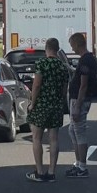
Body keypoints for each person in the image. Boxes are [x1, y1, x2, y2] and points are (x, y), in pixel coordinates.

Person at [25, 38, 69, 182]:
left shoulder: (42, 64)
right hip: (56, 106)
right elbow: (64, 89)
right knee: (54, 139)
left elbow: (36, 85)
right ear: (57, 49)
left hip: (41, 106)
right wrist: (59, 101)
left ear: (46, 48)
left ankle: (39, 171)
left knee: (37, 138)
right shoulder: (62, 67)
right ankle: (51, 172)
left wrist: (32, 103)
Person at [66, 32, 97, 178]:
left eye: (72, 45)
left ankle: (82, 166)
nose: (72, 48)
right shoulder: (87, 59)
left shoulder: (86, 60)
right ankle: (78, 163)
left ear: (77, 44)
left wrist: (78, 106)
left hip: (80, 100)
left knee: (79, 131)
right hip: (79, 99)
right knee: (72, 130)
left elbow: (83, 85)